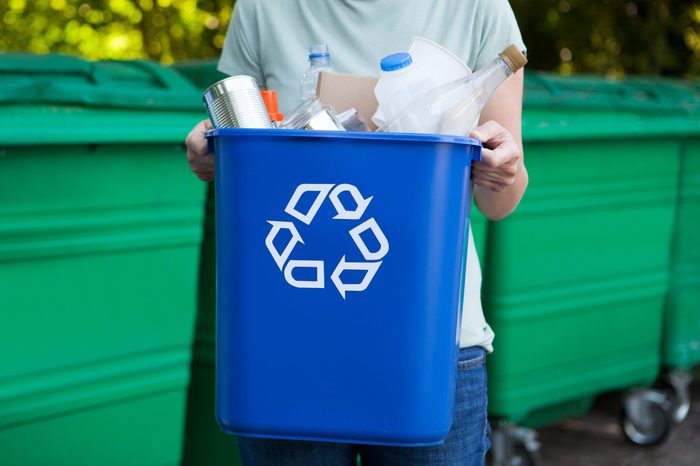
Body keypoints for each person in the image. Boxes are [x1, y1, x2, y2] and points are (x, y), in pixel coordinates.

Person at [186, 1, 527, 464]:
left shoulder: (476, 7)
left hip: (430, 340)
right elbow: (242, 139)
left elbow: (499, 200)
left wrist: (502, 170)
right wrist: (214, 151)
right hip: (287, 340)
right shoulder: (263, 8)